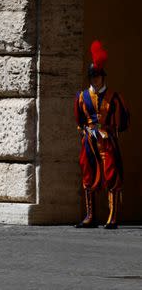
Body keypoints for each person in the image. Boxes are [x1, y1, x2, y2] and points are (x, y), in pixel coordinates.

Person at [74, 41, 129, 229]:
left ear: (102, 77)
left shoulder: (114, 97)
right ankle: (90, 216)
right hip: (89, 141)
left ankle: (112, 217)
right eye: (92, 77)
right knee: (88, 176)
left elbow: (123, 122)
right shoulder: (82, 97)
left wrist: (110, 130)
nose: (95, 80)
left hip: (107, 142)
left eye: (97, 77)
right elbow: (79, 121)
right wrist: (85, 131)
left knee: (111, 175)